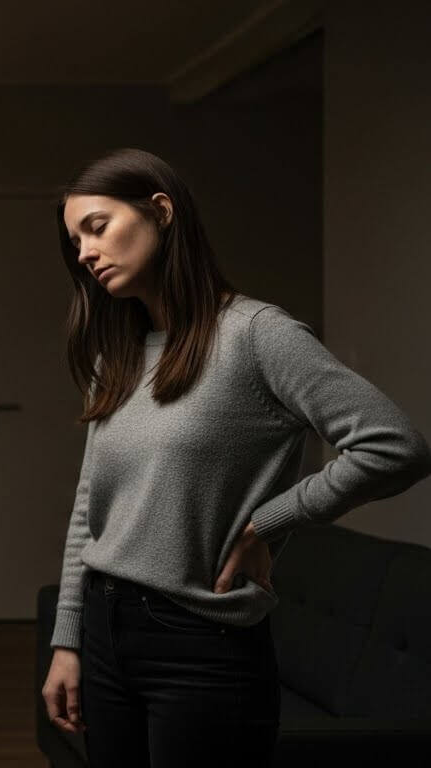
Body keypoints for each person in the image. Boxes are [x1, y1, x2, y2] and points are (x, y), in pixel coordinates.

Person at [38, 148, 431, 768]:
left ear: (160, 212)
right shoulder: (115, 354)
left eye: (97, 226)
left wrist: (266, 523)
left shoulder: (257, 335)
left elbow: (394, 445)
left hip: (200, 644)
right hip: (105, 630)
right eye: (75, 241)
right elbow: (90, 507)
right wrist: (68, 642)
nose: (85, 253)